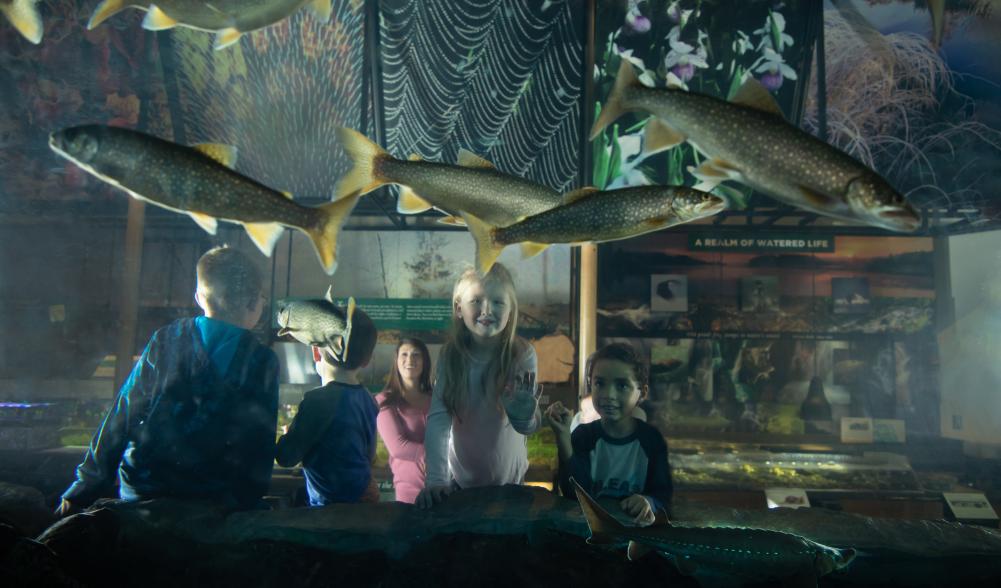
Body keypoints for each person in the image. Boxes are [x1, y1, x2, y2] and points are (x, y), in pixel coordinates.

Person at [58, 246, 279, 515]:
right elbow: (260, 442)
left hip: (145, 487)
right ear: (255, 302)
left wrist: (85, 487)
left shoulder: (166, 339)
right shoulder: (262, 360)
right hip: (213, 498)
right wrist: (249, 502)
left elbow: (123, 413)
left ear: (199, 297)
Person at [417, 264, 541, 508]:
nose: (487, 309)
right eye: (476, 300)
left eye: (498, 302)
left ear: (511, 310)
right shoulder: (450, 355)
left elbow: (530, 426)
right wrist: (436, 481)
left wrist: (523, 416)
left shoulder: (521, 354)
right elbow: (439, 420)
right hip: (460, 484)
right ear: (458, 308)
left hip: (511, 485)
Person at [548, 342, 672, 525]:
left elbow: (664, 496)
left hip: (635, 539)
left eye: (622, 385)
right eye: (600, 383)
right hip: (589, 537)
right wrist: (563, 436)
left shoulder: (651, 440)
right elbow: (572, 495)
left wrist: (649, 502)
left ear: (642, 392)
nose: (609, 394)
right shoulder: (583, 435)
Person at [275, 306, 380, 506]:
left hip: (331, 510)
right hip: (366, 497)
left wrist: (291, 435)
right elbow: (370, 455)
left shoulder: (318, 401)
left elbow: (286, 457)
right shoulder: (368, 398)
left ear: (316, 351)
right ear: (367, 361)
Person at [375, 337, 433, 504]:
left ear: (424, 361)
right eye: (404, 354)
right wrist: (434, 456)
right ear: (397, 360)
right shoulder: (385, 401)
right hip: (409, 493)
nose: (410, 360)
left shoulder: (436, 398)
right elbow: (397, 447)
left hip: (441, 488)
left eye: (416, 355)